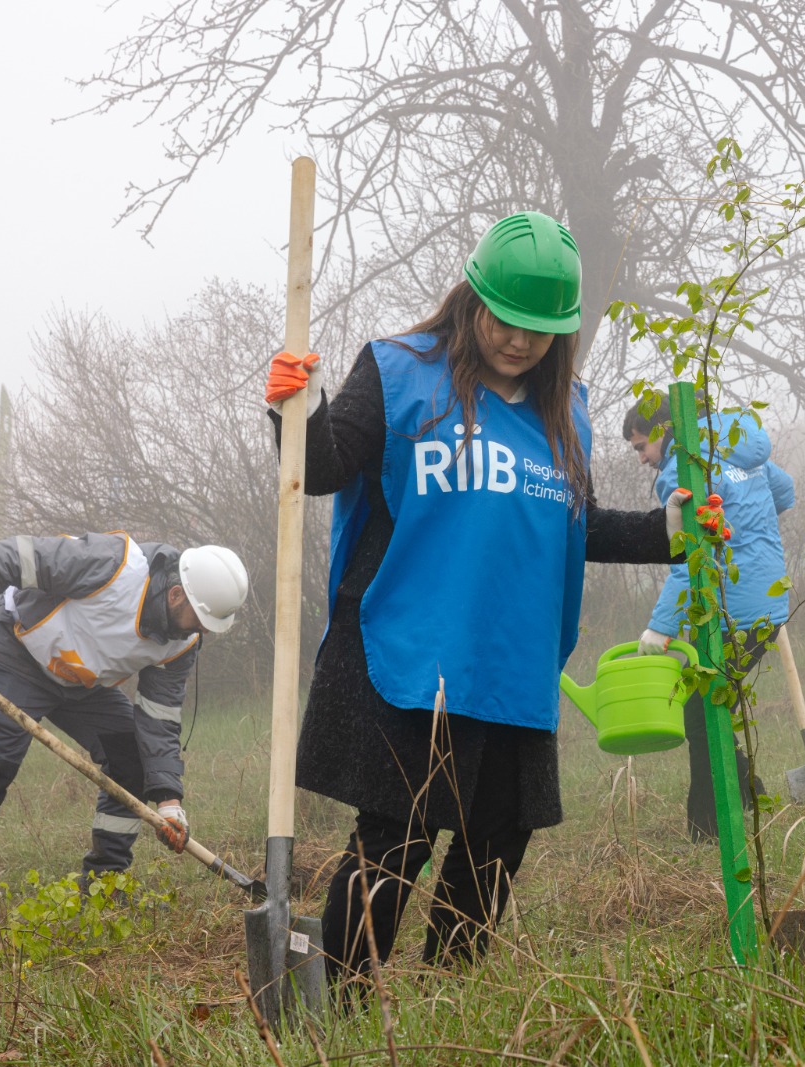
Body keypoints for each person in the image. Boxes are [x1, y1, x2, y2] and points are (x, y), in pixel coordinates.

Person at [264, 210, 698, 993]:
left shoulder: (566, 410)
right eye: (506, 317)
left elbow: (574, 525)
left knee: (499, 838)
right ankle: (341, 996)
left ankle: (447, 999)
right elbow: (324, 464)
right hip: (411, 645)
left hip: (512, 657)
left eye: (540, 328)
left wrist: (669, 532)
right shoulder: (399, 371)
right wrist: (297, 407)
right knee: (396, 838)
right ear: (472, 296)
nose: (519, 341)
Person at [0, 534, 249, 922]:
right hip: (12, 653)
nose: (202, 631)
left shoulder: (182, 642)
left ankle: (104, 886)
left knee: (131, 762)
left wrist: (169, 801)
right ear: (175, 595)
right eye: (202, 620)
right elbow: (6, 556)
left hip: (79, 683)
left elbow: (159, 720)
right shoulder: (112, 565)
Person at [623, 398, 795, 840]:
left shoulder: (683, 472)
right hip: (767, 602)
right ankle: (744, 800)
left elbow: (692, 559)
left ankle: (711, 830)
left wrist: (660, 627)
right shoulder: (732, 442)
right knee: (708, 708)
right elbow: (786, 490)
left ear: (665, 429)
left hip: (731, 608)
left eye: (642, 446)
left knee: (702, 717)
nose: (642, 458)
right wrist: (745, 530)